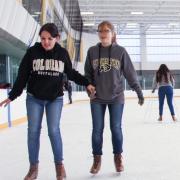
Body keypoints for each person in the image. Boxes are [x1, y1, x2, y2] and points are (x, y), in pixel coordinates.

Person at [0, 23, 95, 180]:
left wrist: (87, 82)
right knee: (33, 132)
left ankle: (59, 167)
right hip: (34, 98)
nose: (46, 42)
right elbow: (22, 76)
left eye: (49, 39)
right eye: (43, 38)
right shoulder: (32, 52)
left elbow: (70, 73)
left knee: (53, 131)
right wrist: (13, 95)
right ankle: (33, 168)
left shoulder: (62, 54)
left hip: (54, 99)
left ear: (56, 38)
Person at [84, 21, 144, 174]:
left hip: (116, 97)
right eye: (100, 30)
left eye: (106, 30)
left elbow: (130, 73)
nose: (103, 33)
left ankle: (118, 157)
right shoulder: (92, 51)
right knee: (97, 130)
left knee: (116, 128)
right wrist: (88, 86)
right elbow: (87, 74)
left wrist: (138, 91)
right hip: (97, 97)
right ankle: (97, 159)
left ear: (113, 33)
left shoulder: (121, 52)